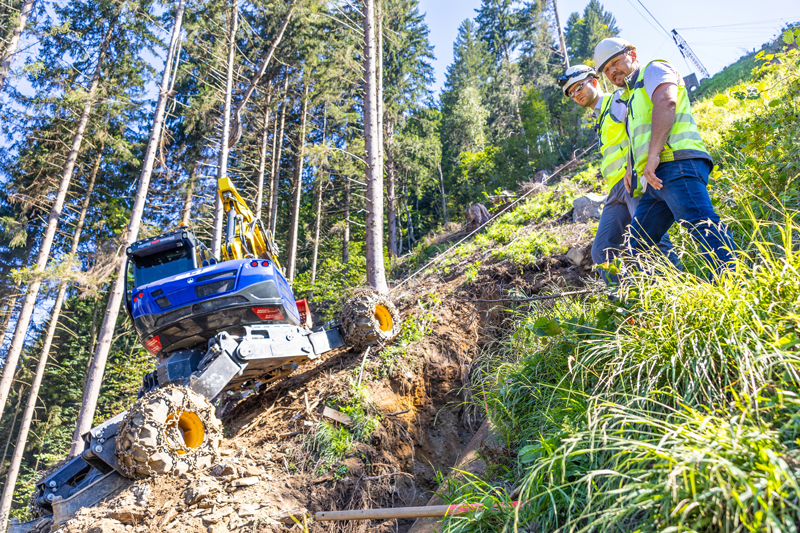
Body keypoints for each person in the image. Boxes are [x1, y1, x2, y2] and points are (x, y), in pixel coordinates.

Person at [594, 37, 736, 277]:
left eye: (615, 62)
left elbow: (666, 101)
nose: (613, 71)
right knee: (638, 244)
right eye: (607, 70)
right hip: (653, 179)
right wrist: (631, 167)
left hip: (677, 163)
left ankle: (734, 283)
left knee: (701, 224)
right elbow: (635, 137)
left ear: (633, 54)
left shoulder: (654, 70)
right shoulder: (631, 97)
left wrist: (652, 158)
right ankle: (671, 295)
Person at [557, 65, 675, 284]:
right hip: (615, 190)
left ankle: (675, 289)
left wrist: (637, 167)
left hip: (633, 182)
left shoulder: (617, 101)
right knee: (601, 252)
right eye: (571, 93)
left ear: (594, 81)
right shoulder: (601, 117)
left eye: (578, 87)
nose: (576, 94)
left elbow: (641, 127)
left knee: (651, 238)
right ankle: (627, 299)